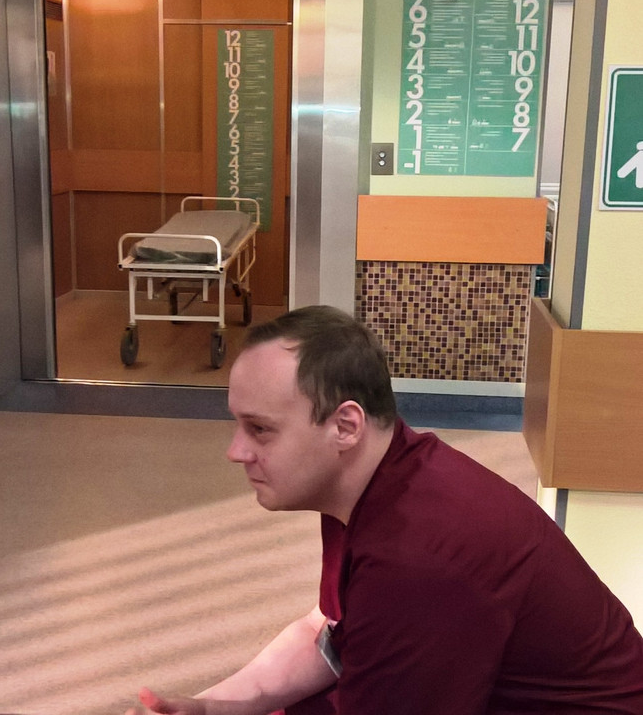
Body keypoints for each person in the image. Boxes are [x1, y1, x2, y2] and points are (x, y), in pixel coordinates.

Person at [126, 305, 643, 715]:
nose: (235, 451)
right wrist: (212, 707)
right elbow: (329, 634)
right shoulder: (380, 479)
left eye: (260, 429)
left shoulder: (421, 556)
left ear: (345, 427)